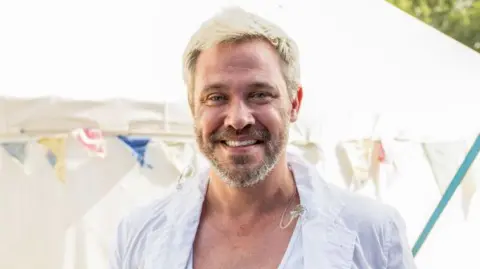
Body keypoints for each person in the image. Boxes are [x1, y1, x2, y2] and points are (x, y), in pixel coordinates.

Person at [110, 6, 416, 269]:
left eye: (259, 95)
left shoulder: (373, 234)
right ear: (193, 108)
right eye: (216, 97)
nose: (238, 119)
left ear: (294, 103)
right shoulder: (139, 235)